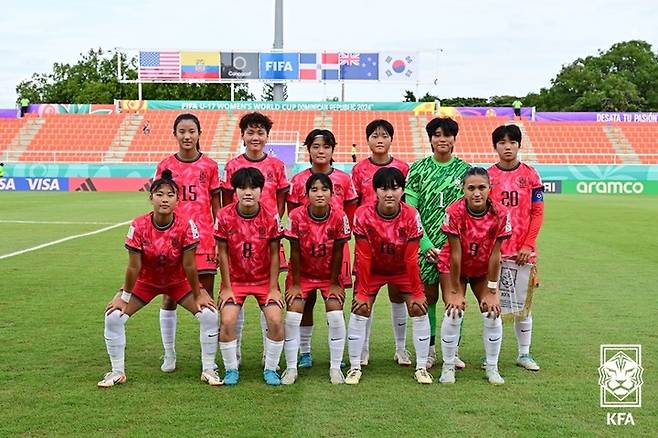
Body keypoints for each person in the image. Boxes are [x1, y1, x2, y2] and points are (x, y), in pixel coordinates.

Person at [98, 170, 220, 388]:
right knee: (113, 317)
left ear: (177, 199)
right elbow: (134, 266)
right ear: (151, 197)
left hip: (177, 281)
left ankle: (208, 368)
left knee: (210, 315)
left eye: (170, 194)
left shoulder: (186, 225)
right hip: (146, 282)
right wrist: (123, 296)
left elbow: (189, 264)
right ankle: (117, 371)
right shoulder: (138, 225)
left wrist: (198, 292)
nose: (165, 199)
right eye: (160, 194)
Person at [345, 167, 432, 385]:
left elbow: (412, 258)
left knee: (418, 307)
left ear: (402, 191)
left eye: (395, 188)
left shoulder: (411, 215)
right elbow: (363, 256)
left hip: (402, 269)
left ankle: (421, 367)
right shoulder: (363, 214)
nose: (389, 193)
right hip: (373, 269)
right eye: (384, 188)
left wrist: (418, 292)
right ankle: (355, 366)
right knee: (360, 307)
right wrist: (363, 292)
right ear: (376, 191)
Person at [154, 113, 221, 373]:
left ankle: (209, 359)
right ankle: (169, 354)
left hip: (204, 240)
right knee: (169, 298)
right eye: (182, 131)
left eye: (191, 131)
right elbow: (160, 204)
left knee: (206, 297)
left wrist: (218, 235)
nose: (187, 136)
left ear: (199, 133)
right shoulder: (165, 167)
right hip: (172, 241)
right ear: (175, 134)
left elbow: (217, 205)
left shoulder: (210, 166)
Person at [221, 112, 289, 366]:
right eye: (250, 132)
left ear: (267, 136)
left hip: (267, 236)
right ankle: (234, 353)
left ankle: (267, 354)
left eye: (260, 132)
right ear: (242, 136)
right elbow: (227, 202)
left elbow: (282, 197)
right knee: (234, 298)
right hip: (239, 239)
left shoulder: (277, 166)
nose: (255, 137)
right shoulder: (232, 166)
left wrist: (275, 220)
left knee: (270, 294)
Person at [286, 128, 358, 369]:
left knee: (335, 301)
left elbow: (349, 213)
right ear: (308, 150)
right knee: (304, 304)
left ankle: (337, 355)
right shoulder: (297, 180)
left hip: (335, 249)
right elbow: (294, 216)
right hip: (306, 252)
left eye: (325, 147)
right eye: (315, 147)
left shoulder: (344, 180)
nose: (320, 151)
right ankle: (305, 352)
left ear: (332, 150)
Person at [404, 117, 470, 370]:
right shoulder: (418, 169)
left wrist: (453, 246)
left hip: (456, 247)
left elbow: (471, 209)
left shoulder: (465, 170)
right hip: (425, 245)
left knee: (455, 298)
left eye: (448, 135)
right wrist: (425, 244)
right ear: (430, 139)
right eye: (437, 135)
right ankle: (429, 350)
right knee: (428, 298)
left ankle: (452, 351)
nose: (443, 139)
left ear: (454, 139)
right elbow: (411, 210)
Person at [436, 167, 512, 385]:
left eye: (481, 187)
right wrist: (454, 291)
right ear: (463, 189)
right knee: (454, 311)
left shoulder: (500, 214)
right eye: (471, 188)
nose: (476, 193)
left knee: (492, 311)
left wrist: (491, 290)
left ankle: (492, 367)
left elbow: (495, 256)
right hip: (454, 268)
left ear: (490, 188)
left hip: (483, 269)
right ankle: (448, 367)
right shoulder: (455, 211)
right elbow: (456, 255)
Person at [215, 167, 285, 386]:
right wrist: (226, 287)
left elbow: (275, 254)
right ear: (235, 190)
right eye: (242, 187)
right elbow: (222, 253)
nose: (248, 192)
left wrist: (273, 287)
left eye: (253, 187)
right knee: (227, 321)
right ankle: (231, 369)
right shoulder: (224, 215)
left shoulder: (270, 215)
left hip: (264, 281)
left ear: (261, 190)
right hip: (235, 281)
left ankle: (271, 368)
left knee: (275, 320)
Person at [351, 119, 410, 367]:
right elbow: (353, 205)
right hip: (368, 241)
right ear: (368, 140)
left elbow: (407, 205)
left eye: (384, 136)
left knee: (398, 294)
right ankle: (362, 350)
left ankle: (401, 349)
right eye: (374, 136)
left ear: (391, 139)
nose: (379, 140)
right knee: (365, 293)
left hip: (397, 242)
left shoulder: (403, 168)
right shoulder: (359, 170)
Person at [282, 173, 351, 385]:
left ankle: (335, 367)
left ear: (332, 193)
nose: (319, 194)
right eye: (314, 190)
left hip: (328, 275)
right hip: (302, 276)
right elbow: (293, 251)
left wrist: (333, 283)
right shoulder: (295, 216)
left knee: (336, 315)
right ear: (307, 194)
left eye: (324, 189)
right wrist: (294, 283)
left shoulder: (339, 216)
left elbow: (339, 252)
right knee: (293, 316)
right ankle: (292, 367)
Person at [487, 124, 544, 371]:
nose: (507, 147)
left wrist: (528, 244)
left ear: (519, 145)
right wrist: (491, 248)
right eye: (502, 142)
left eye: (512, 142)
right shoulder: (487, 176)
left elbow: (537, 212)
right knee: (492, 303)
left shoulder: (531, 175)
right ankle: (491, 356)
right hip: (494, 252)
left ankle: (524, 354)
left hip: (522, 252)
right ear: (495, 146)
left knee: (522, 305)